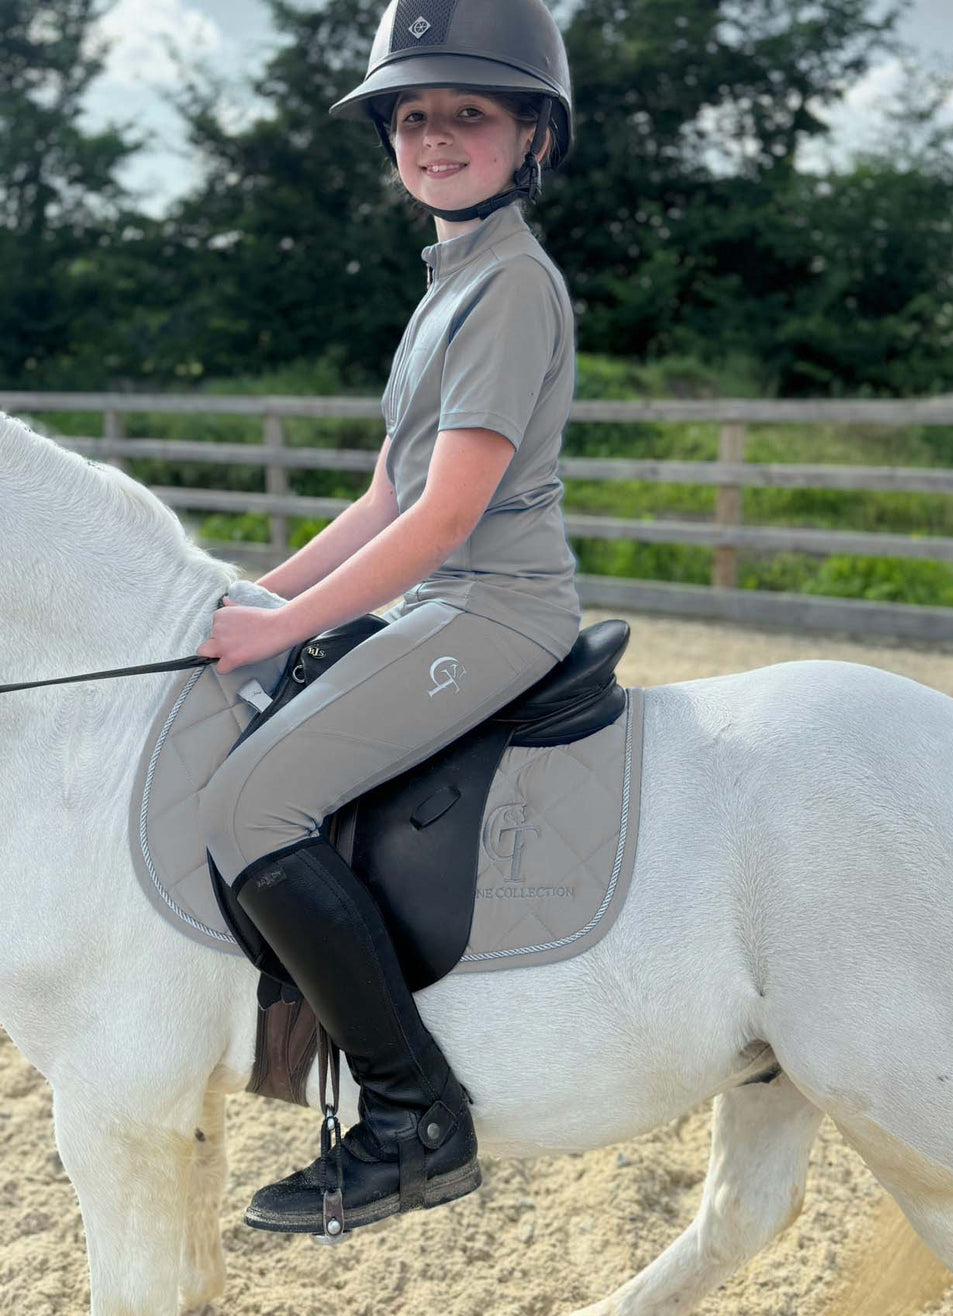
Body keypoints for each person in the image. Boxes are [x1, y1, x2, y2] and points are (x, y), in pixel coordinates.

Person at [196, 0, 580, 1239]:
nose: (435, 136)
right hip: (443, 590)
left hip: (495, 603)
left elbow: (446, 516)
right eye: (414, 116)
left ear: (531, 136)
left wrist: (285, 622)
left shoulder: (511, 285)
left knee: (251, 804)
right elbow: (385, 492)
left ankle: (413, 1118)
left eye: (469, 112)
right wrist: (264, 592)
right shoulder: (450, 281)